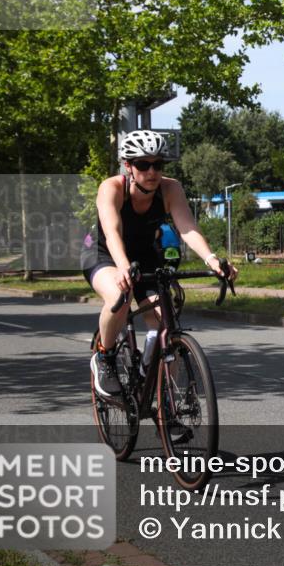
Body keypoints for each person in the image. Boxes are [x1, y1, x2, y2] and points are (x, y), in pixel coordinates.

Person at [82, 129, 237, 400]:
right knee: (121, 295)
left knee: (167, 319)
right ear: (128, 166)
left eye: (158, 164)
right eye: (143, 164)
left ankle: (165, 398)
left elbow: (187, 227)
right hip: (103, 252)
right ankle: (104, 357)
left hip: (144, 254)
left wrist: (211, 259)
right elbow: (112, 230)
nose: (152, 171)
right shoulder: (112, 188)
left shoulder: (170, 188)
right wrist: (122, 267)